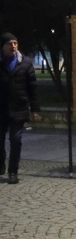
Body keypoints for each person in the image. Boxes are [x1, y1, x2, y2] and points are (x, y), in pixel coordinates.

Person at [0, 33, 41, 184]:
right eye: (9, 44)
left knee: (15, 140)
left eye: (15, 43)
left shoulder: (25, 63)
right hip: (1, 108)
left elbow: (33, 88)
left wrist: (35, 109)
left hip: (19, 107)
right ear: (2, 46)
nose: (13, 46)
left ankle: (13, 171)